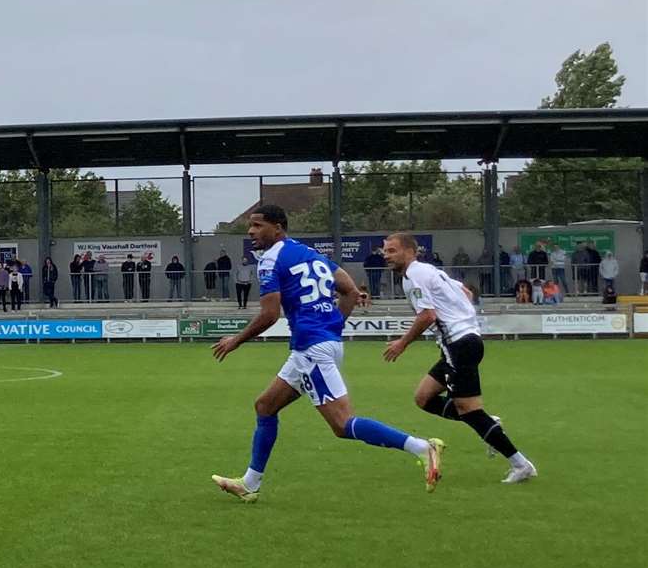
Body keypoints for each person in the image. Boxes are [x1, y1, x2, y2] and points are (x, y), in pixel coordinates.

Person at [210, 204, 443, 502]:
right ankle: (250, 483)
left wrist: (236, 340)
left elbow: (269, 315)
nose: (251, 232)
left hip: (311, 348)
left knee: (343, 425)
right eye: (250, 227)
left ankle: (422, 447)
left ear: (278, 227)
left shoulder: (270, 259)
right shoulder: (310, 254)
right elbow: (350, 290)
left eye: (257, 225)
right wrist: (332, 325)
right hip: (318, 345)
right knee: (265, 406)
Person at [379, 232, 536, 484]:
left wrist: (402, 343)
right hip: (464, 342)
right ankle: (487, 423)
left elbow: (427, 316)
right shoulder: (429, 271)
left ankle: (520, 463)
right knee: (423, 397)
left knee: (469, 410)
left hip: (458, 345)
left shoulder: (414, 276)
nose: (386, 256)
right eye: (385, 251)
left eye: (392, 251)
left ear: (410, 251)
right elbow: (466, 293)